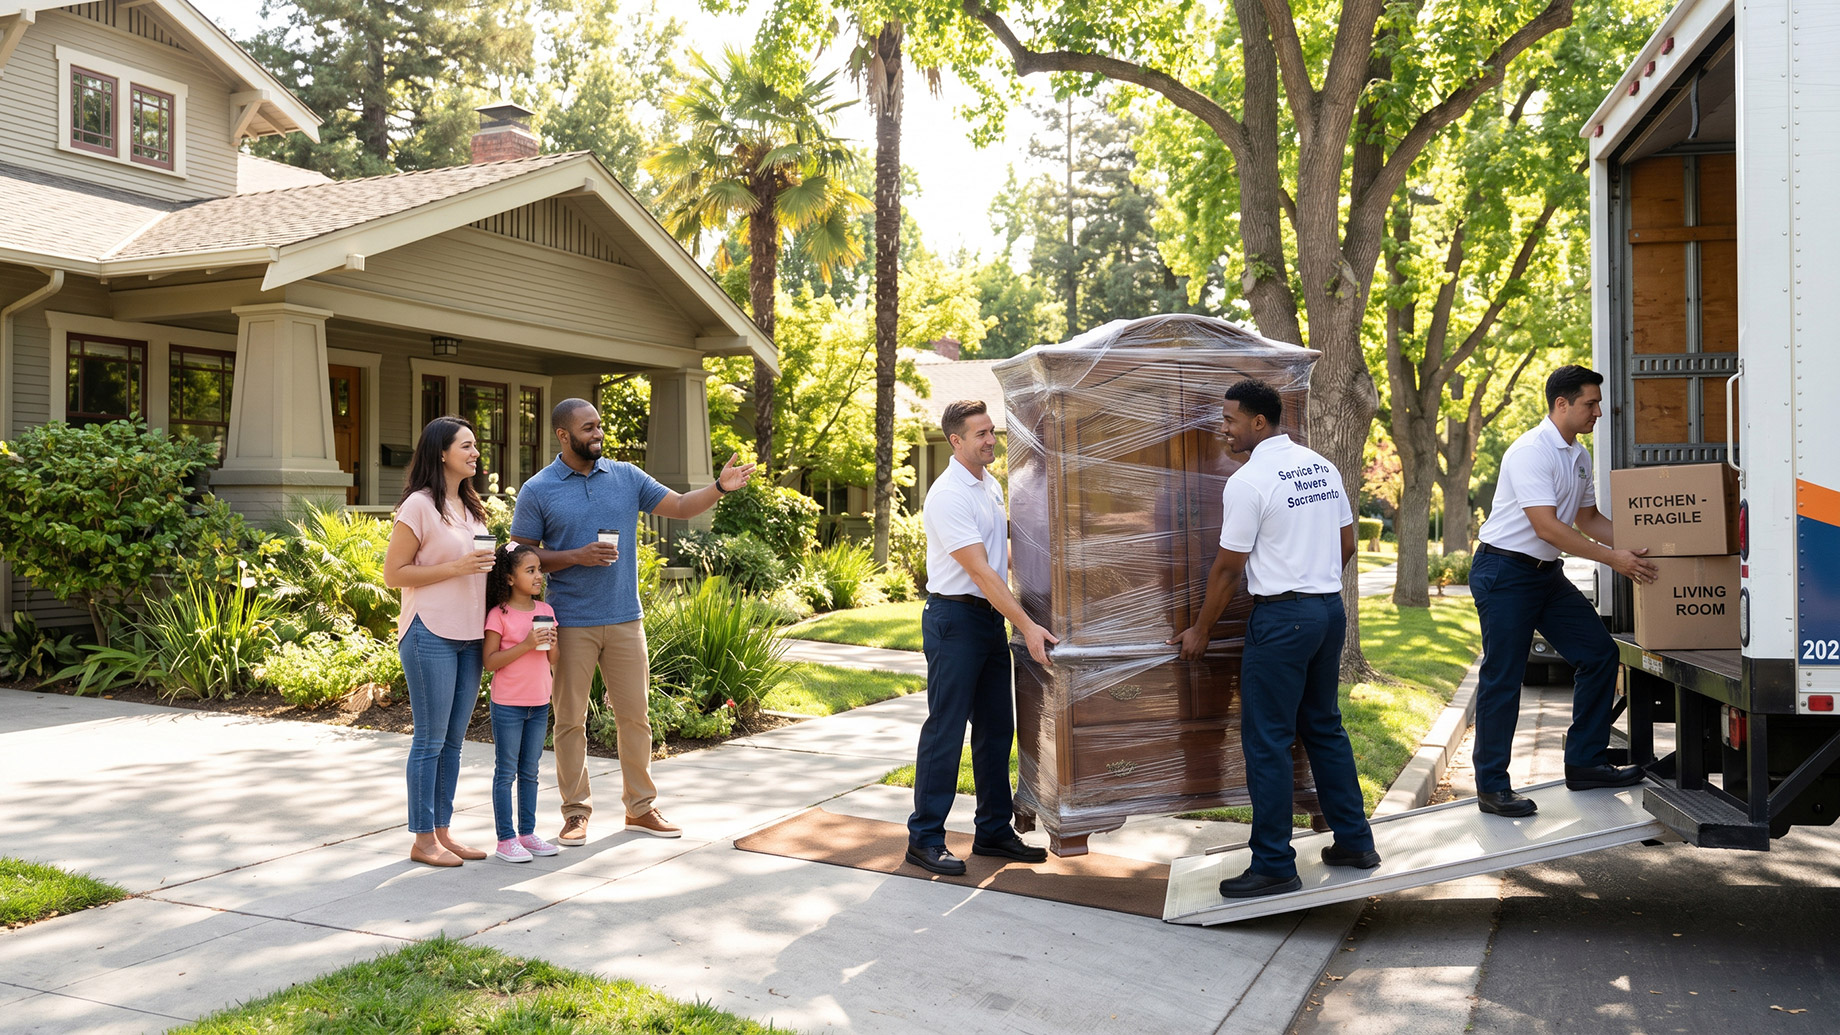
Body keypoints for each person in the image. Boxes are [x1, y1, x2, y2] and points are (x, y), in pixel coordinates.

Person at [511, 398, 758, 846]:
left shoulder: (625, 476)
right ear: (563, 436)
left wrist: (719, 488)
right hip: (569, 622)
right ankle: (575, 812)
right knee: (569, 720)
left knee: (635, 719)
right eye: (588, 428)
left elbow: (682, 506)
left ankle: (640, 809)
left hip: (626, 618)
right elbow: (519, 556)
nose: (598, 434)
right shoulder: (538, 489)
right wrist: (575, 556)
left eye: (599, 426)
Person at [1170, 379, 1378, 899]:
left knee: (1267, 741)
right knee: (1324, 726)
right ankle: (1354, 841)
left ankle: (1273, 865)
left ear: (1259, 423)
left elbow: (1225, 571)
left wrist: (1200, 629)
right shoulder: (1320, 466)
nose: (1224, 427)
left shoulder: (1249, 481)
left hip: (1283, 621)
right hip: (1328, 613)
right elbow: (1347, 542)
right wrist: (1314, 578)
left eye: (1231, 419)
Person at [1468, 365, 1659, 817]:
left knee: (1599, 654)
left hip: (1545, 575)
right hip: (1505, 572)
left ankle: (1585, 762)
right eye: (1590, 403)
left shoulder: (1578, 454)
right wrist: (1614, 560)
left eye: (1597, 403)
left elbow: (1588, 520)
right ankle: (1492, 787)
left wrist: (1650, 542)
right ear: (1562, 404)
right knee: (1504, 678)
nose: (1597, 411)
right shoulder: (1531, 452)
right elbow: (1547, 526)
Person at [905, 399, 1056, 876]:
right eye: (981, 434)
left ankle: (992, 831)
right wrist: (1028, 626)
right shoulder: (948, 494)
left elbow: (1001, 553)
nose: (991, 440)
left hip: (987, 621)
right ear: (956, 441)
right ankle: (924, 838)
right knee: (945, 731)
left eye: (992, 431)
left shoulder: (988, 484)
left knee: (996, 729)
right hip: (955, 620)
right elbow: (982, 573)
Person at [383, 416, 495, 867]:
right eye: (466, 446)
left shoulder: (472, 507)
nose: (474, 453)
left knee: (453, 742)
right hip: (429, 631)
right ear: (442, 452)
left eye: (475, 446)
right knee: (429, 740)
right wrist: (457, 568)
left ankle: (443, 831)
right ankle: (422, 837)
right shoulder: (418, 506)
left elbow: (480, 565)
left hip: (470, 635)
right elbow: (394, 574)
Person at [482, 543, 562, 863]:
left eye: (539, 570)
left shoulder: (546, 612)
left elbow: (553, 659)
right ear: (511, 578)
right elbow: (490, 661)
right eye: (530, 570)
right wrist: (528, 642)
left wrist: (552, 643)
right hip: (508, 704)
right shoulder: (498, 613)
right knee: (506, 773)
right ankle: (506, 839)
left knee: (530, 771)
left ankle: (527, 833)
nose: (538, 576)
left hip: (539, 701)